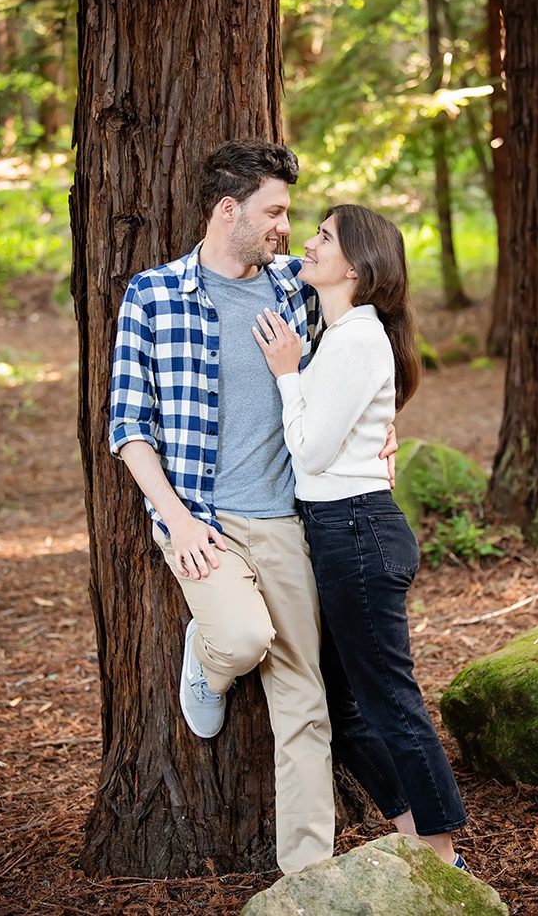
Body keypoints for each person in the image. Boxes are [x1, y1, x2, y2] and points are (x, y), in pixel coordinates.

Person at [109, 141, 400, 875]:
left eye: (290, 215)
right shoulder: (153, 295)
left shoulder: (295, 292)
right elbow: (127, 427)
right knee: (240, 639)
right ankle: (205, 660)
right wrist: (174, 518)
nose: (283, 227)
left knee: (305, 703)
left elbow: (353, 368)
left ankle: (305, 875)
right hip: (199, 517)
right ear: (227, 210)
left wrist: (383, 433)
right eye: (273, 212)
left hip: (285, 520)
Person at [254, 203, 469, 869]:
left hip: (356, 532)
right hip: (338, 530)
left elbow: (312, 454)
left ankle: (441, 855)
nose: (306, 244)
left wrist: (286, 375)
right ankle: (412, 832)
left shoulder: (354, 340)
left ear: (354, 265)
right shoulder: (342, 329)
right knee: (343, 705)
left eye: (322, 236)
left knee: (388, 703)